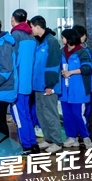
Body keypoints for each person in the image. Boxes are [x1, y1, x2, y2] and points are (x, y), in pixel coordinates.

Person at [30, 16, 63, 153]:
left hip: (48, 85)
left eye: (32, 27)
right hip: (38, 85)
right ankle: (48, 139)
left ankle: (57, 142)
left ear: (38, 27)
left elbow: (53, 65)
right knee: (41, 113)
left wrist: (50, 84)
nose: (31, 30)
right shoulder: (39, 42)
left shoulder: (51, 42)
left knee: (50, 113)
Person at [9, 9, 39, 154]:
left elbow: (12, 60)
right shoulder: (31, 37)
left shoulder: (15, 35)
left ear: (12, 19)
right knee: (26, 114)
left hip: (18, 83)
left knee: (19, 116)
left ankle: (26, 145)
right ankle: (33, 143)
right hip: (28, 82)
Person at [60, 28, 92, 149]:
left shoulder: (82, 52)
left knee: (78, 114)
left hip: (79, 89)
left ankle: (85, 137)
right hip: (65, 90)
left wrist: (71, 72)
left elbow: (87, 68)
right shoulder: (62, 51)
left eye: (63, 37)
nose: (61, 39)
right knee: (67, 115)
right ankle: (71, 137)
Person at [72, 25, 92, 127]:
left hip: (81, 86)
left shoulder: (80, 50)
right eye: (83, 35)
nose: (85, 37)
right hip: (83, 86)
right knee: (82, 112)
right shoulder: (84, 51)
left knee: (82, 112)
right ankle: (82, 132)